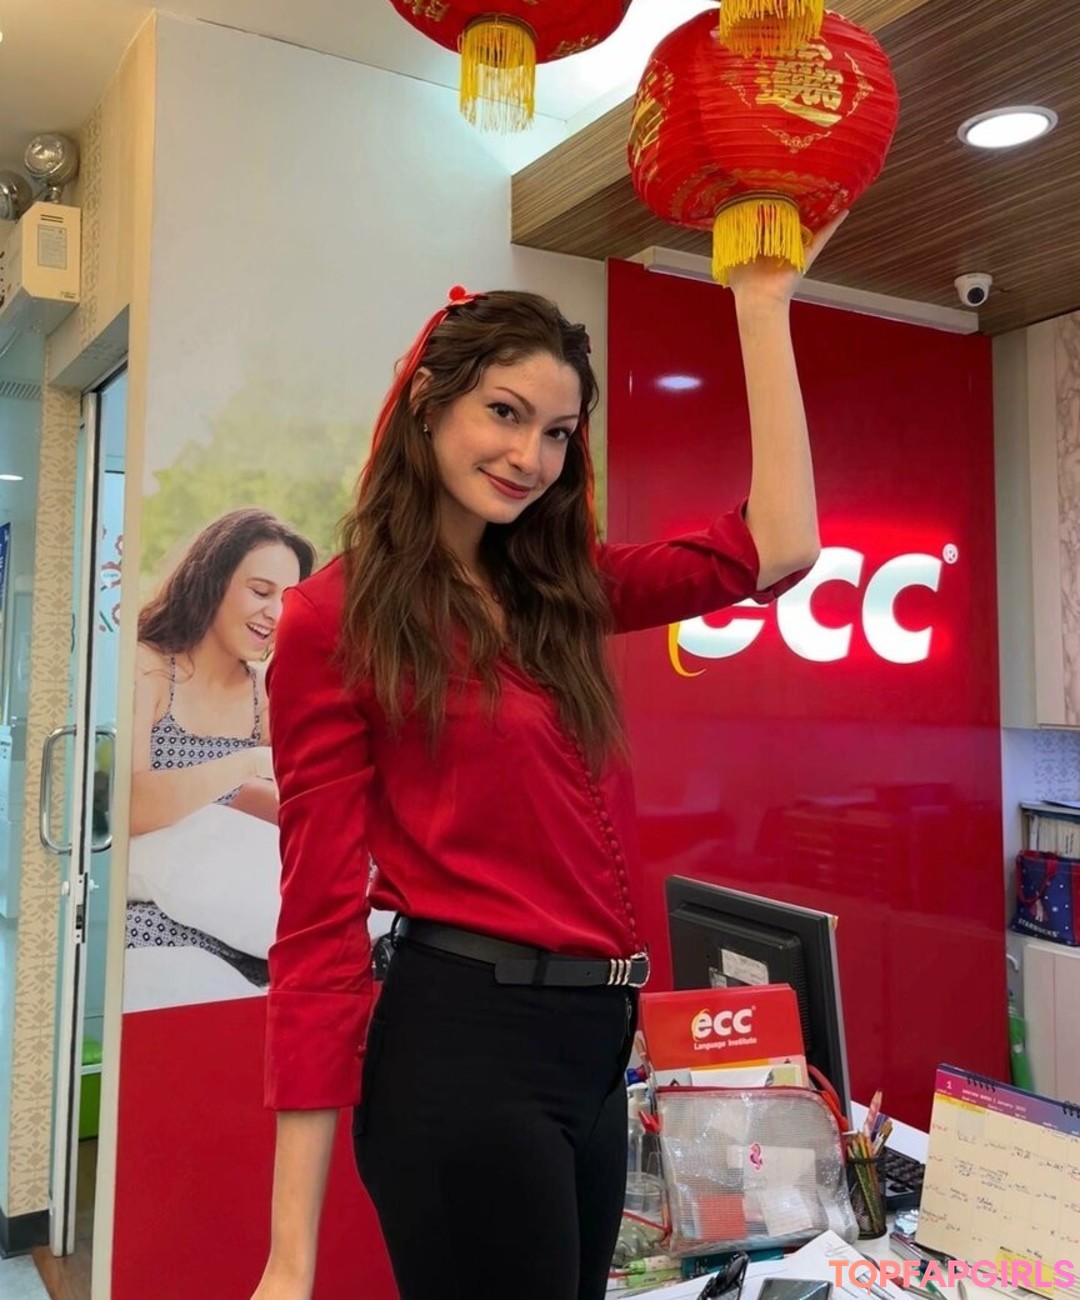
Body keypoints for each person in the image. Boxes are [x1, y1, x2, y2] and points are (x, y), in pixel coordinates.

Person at [252, 223, 845, 1300]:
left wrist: (762, 304)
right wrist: (290, 1259)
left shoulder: (557, 592)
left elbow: (779, 547)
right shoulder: (332, 619)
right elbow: (316, 930)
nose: (530, 457)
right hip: (464, 1047)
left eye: (559, 432)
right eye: (505, 413)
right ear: (429, 401)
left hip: (594, 1049)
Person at [127, 507, 316, 973]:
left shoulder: (264, 691)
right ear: (211, 581)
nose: (275, 614)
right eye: (260, 592)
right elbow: (127, 806)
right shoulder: (147, 668)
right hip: (156, 918)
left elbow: (274, 805)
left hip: (246, 918)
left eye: (288, 599)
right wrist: (246, 763)